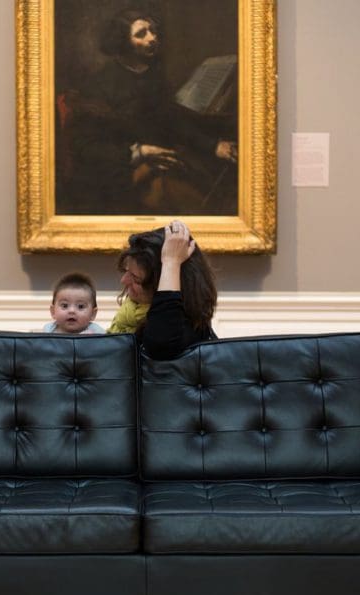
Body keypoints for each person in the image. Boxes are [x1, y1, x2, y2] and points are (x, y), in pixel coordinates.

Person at [59, 8, 237, 215]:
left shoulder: (151, 76)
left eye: (153, 31)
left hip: (158, 162)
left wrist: (213, 146)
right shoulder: (99, 85)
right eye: (141, 34)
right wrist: (140, 152)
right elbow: (86, 146)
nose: (152, 38)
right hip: (113, 175)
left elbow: (171, 120)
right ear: (122, 42)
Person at [108, 219, 217, 359]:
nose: (123, 280)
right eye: (126, 271)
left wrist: (171, 263)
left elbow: (160, 345)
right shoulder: (130, 313)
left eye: (136, 278)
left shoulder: (184, 324)